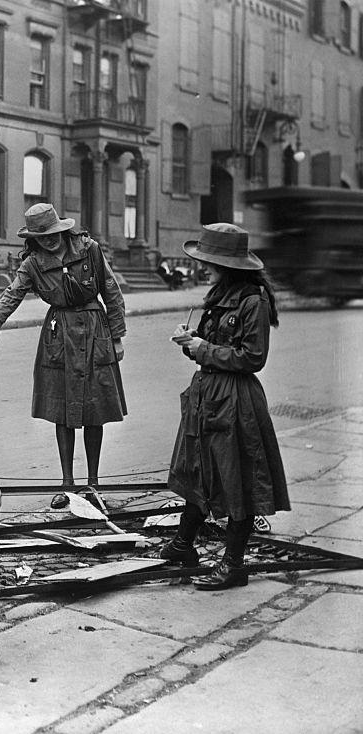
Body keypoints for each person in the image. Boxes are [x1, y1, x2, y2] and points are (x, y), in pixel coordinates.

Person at [0, 203, 126, 508]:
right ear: (34, 238)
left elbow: (112, 292)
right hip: (58, 336)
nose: (49, 240)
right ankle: (68, 484)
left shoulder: (89, 249)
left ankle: (93, 485)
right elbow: (10, 296)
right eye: (41, 236)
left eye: (52, 234)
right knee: (61, 410)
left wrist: (116, 338)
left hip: (96, 332)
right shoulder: (33, 264)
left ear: (61, 230)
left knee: (95, 409)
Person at [162, 223, 289, 590]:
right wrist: (192, 342)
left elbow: (253, 357)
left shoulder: (253, 301)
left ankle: (233, 564)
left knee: (237, 480)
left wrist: (203, 349)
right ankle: (184, 545)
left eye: (208, 262)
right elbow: (213, 344)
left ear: (226, 265)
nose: (203, 267)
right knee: (198, 471)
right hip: (207, 394)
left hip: (235, 401)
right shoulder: (220, 294)